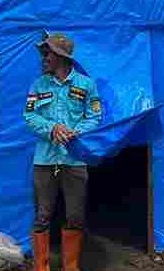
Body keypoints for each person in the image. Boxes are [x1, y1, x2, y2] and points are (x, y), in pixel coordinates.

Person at [24, 33, 102, 271]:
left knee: (75, 216)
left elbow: (95, 116)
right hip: (45, 161)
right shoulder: (38, 85)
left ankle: (71, 266)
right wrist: (52, 128)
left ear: (60, 56)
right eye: (43, 53)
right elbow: (29, 115)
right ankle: (41, 267)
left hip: (74, 160)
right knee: (42, 217)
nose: (43, 58)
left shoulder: (86, 85)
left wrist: (75, 132)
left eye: (47, 53)